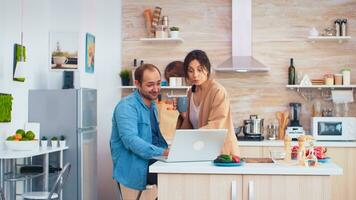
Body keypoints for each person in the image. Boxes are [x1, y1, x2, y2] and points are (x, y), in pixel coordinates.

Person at [110, 64, 169, 191]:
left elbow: (154, 138)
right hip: (135, 166)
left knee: (185, 173)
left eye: (158, 83)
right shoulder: (126, 107)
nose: (156, 89)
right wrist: (164, 153)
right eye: (150, 85)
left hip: (151, 160)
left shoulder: (153, 105)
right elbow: (131, 141)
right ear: (137, 84)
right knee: (174, 178)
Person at [176, 49, 240, 156]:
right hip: (202, 150)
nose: (195, 75)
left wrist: (190, 138)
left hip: (222, 153)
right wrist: (182, 113)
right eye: (190, 71)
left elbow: (216, 124)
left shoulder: (218, 91)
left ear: (207, 69)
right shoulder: (190, 92)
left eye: (199, 70)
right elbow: (190, 123)